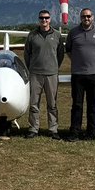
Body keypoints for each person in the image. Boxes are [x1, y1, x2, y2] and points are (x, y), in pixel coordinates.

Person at [65, 8, 95, 140]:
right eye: (84, 16)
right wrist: (78, 62)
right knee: (77, 104)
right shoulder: (73, 32)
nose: (86, 18)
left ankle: (92, 131)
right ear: (80, 18)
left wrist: (94, 62)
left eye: (89, 16)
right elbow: (68, 50)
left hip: (94, 74)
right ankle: (75, 132)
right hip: (78, 74)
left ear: (93, 17)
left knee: (93, 104)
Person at [23, 10, 64, 139]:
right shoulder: (32, 35)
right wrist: (32, 68)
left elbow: (60, 54)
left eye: (46, 18)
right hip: (35, 74)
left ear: (50, 19)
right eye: (41, 18)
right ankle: (33, 128)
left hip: (51, 74)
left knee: (52, 103)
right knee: (34, 103)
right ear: (39, 19)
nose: (44, 20)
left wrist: (54, 67)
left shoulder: (57, 35)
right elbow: (27, 54)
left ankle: (53, 129)